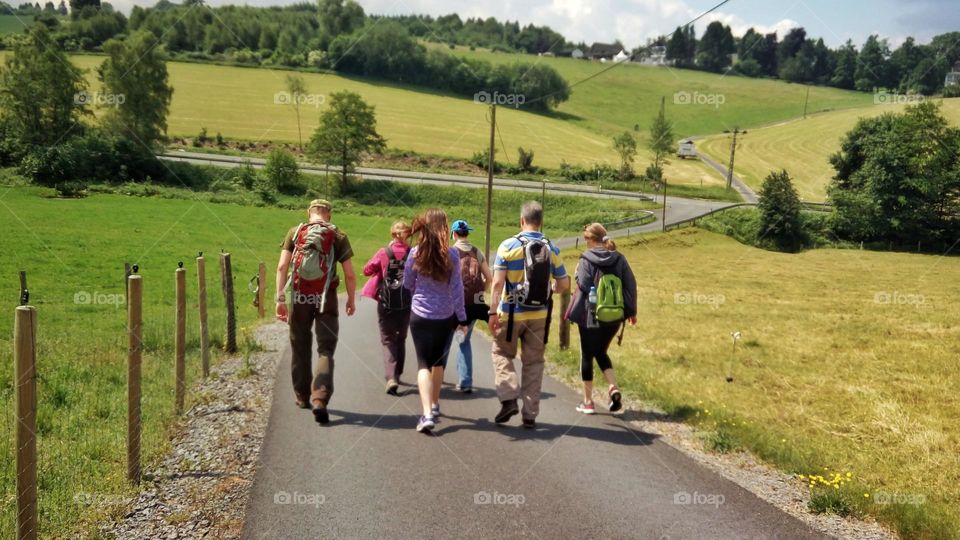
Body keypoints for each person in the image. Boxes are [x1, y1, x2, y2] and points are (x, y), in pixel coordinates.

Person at [275, 199, 356, 425]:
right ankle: (320, 398)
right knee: (325, 349)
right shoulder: (338, 235)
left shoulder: (295, 232)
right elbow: (350, 274)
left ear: (309, 212)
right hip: (326, 297)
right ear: (328, 215)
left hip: (300, 295)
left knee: (299, 343)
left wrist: (280, 298)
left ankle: (302, 396)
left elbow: (282, 267)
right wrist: (350, 298)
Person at [488, 201, 569, 428]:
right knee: (534, 362)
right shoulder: (552, 248)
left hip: (511, 313)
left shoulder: (507, 246)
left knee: (502, 353)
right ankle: (530, 414)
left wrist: (493, 311)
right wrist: (550, 289)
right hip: (539, 315)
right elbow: (563, 283)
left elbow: (496, 283)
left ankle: (509, 397)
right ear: (540, 221)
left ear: (521, 220)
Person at [404, 208, 468, 433]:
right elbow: (457, 289)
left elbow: (407, 283)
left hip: (419, 315)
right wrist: (462, 318)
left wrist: (418, 295)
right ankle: (434, 403)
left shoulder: (415, 253)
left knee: (423, 363)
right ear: (443, 228)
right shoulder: (451, 255)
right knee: (438, 363)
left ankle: (427, 414)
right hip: (445, 316)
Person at [564, 223, 637, 414]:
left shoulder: (586, 259)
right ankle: (613, 387)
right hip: (614, 317)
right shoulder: (619, 258)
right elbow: (630, 285)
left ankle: (588, 402)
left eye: (585, 238)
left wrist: (578, 273)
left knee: (588, 354)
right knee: (601, 351)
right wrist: (631, 312)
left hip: (591, 315)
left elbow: (584, 284)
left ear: (589, 239)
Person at [362, 221, 413, 395]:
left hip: (386, 302)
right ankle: (398, 373)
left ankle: (391, 377)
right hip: (406, 303)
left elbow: (366, 270)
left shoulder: (384, 252)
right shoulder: (413, 253)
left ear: (393, 235)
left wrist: (380, 269)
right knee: (401, 338)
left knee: (387, 339)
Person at [450, 219, 492, 394]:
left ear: (454, 234)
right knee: (464, 341)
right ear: (467, 233)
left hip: (455, 306)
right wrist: (480, 292)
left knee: (449, 341)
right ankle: (465, 380)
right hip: (475, 305)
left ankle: (441, 377)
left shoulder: (451, 252)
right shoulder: (477, 252)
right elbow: (489, 277)